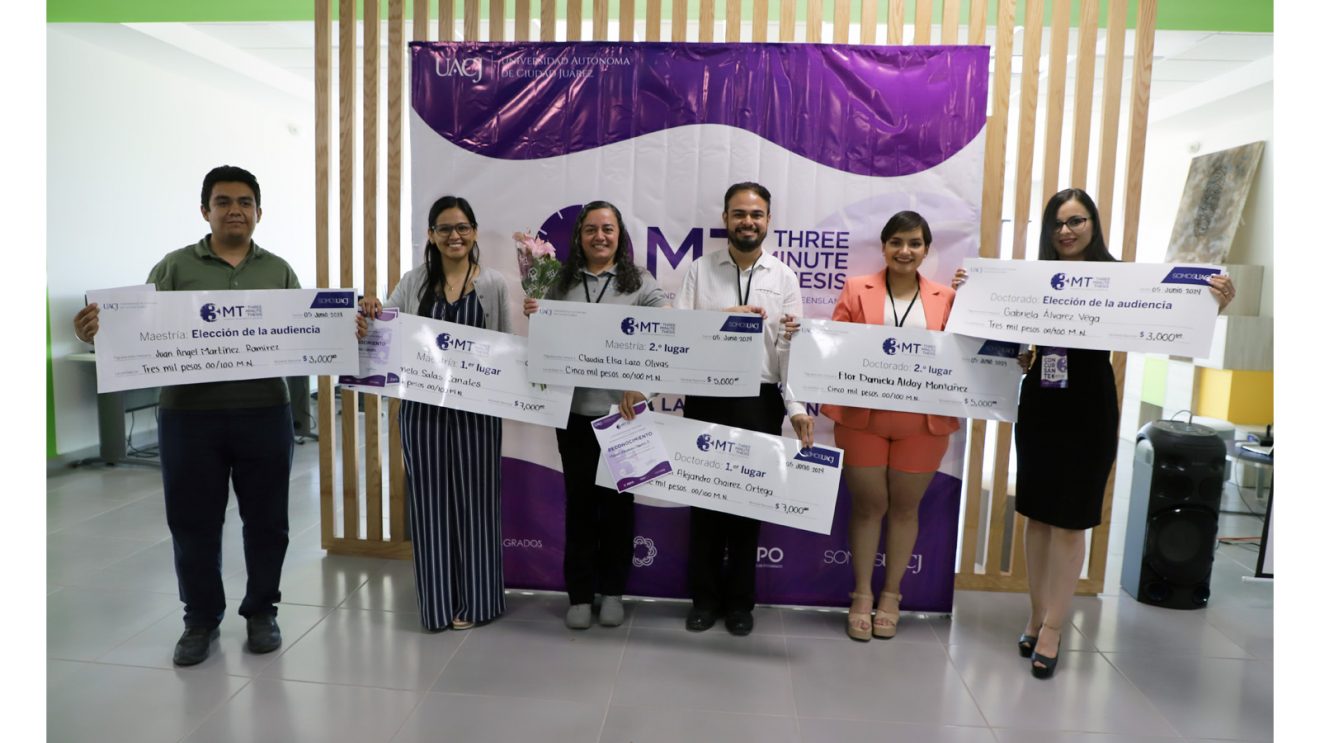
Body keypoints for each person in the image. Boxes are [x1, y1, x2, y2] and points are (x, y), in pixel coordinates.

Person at [952, 188, 1236, 678]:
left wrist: (1216, 303)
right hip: (1041, 401)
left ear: (1093, 224)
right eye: (1058, 223)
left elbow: (1175, 317)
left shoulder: (1122, 277)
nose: (1066, 231)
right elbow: (1001, 328)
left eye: (1076, 221)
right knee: (1038, 516)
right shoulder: (1032, 277)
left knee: (1070, 520)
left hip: (1090, 405)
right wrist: (970, 290)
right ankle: (1036, 614)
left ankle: (1054, 628)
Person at [72, 166, 300, 666]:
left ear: (259, 212)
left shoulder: (279, 271)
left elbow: (304, 331)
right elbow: (136, 328)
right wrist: (95, 331)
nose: (235, 210)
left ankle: (262, 612)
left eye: (244, 202)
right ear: (205, 211)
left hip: (264, 411)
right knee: (193, 522)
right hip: (189, 417)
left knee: (268, 521)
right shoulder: (175, 267)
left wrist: (344, 331)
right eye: (223, 202)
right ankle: (200, 619)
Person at [360, 195, 513, 631]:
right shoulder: (413, 282)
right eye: (444, 228)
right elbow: (385, 325)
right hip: (422, 411)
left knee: (477, 505)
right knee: (429, 506)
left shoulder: (494, 284)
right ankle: (438, 606)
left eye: (462, 227)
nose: (454, 236)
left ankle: (478, 603)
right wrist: (369, 310)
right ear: (430, 235)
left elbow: (504, 348)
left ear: (474, 232)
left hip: (477, 413)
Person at [674, 182, 814, 636]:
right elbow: (679, 333)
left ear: (768, 220)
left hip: (760, 400)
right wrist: (723, 321)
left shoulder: (784, 277)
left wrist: (796, 406)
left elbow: (790, 349)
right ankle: (703, 600)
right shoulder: (700, 270)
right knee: (705, 504)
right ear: (725, 219)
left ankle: (739, 604)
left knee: (748, 505)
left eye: (756, 214)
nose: (747, 222)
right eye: (739, 214)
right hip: (706, 395)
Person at [522, 201, 668, 630]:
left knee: (619, 507)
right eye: (590, 229)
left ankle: (614, 592)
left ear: (619, 235)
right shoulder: (559, 280)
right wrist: (536, 316)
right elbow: (547, 343)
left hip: (624, 417)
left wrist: (644, 389)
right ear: (579, 236)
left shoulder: (641, 283)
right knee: (581, 506)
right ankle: (581, 594)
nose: (599, 236)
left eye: (607, 228)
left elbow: (668, 337)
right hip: (573, 414)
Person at [816, 211, 960, 641]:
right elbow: (833, 345)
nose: (905, 251)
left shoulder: (947, 297)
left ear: (926, 250)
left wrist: (978, 298)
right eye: (896, 242)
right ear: (883, 247)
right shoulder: (856, 288)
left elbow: (966, 354)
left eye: (914, 243)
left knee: (905, 509)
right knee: (867, 506)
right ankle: (861, 594)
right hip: (863, 419)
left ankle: (891, 595)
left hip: (923, 423)